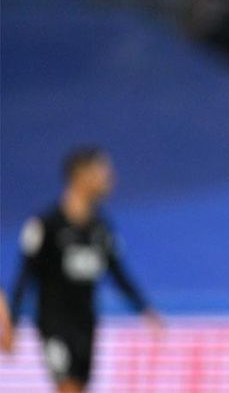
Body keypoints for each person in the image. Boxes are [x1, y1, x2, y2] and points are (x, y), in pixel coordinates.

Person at [7, 146, 162, 393]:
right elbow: (25, 276)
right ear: (81, 175)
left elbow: (117, 272)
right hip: (54, 324)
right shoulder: (48, 226)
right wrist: (12, 322)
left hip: (86, 323)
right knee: (67, 386)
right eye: (103, 172)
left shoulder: (100, 229)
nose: (110, 178)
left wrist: (143, 309)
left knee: (78, 387)